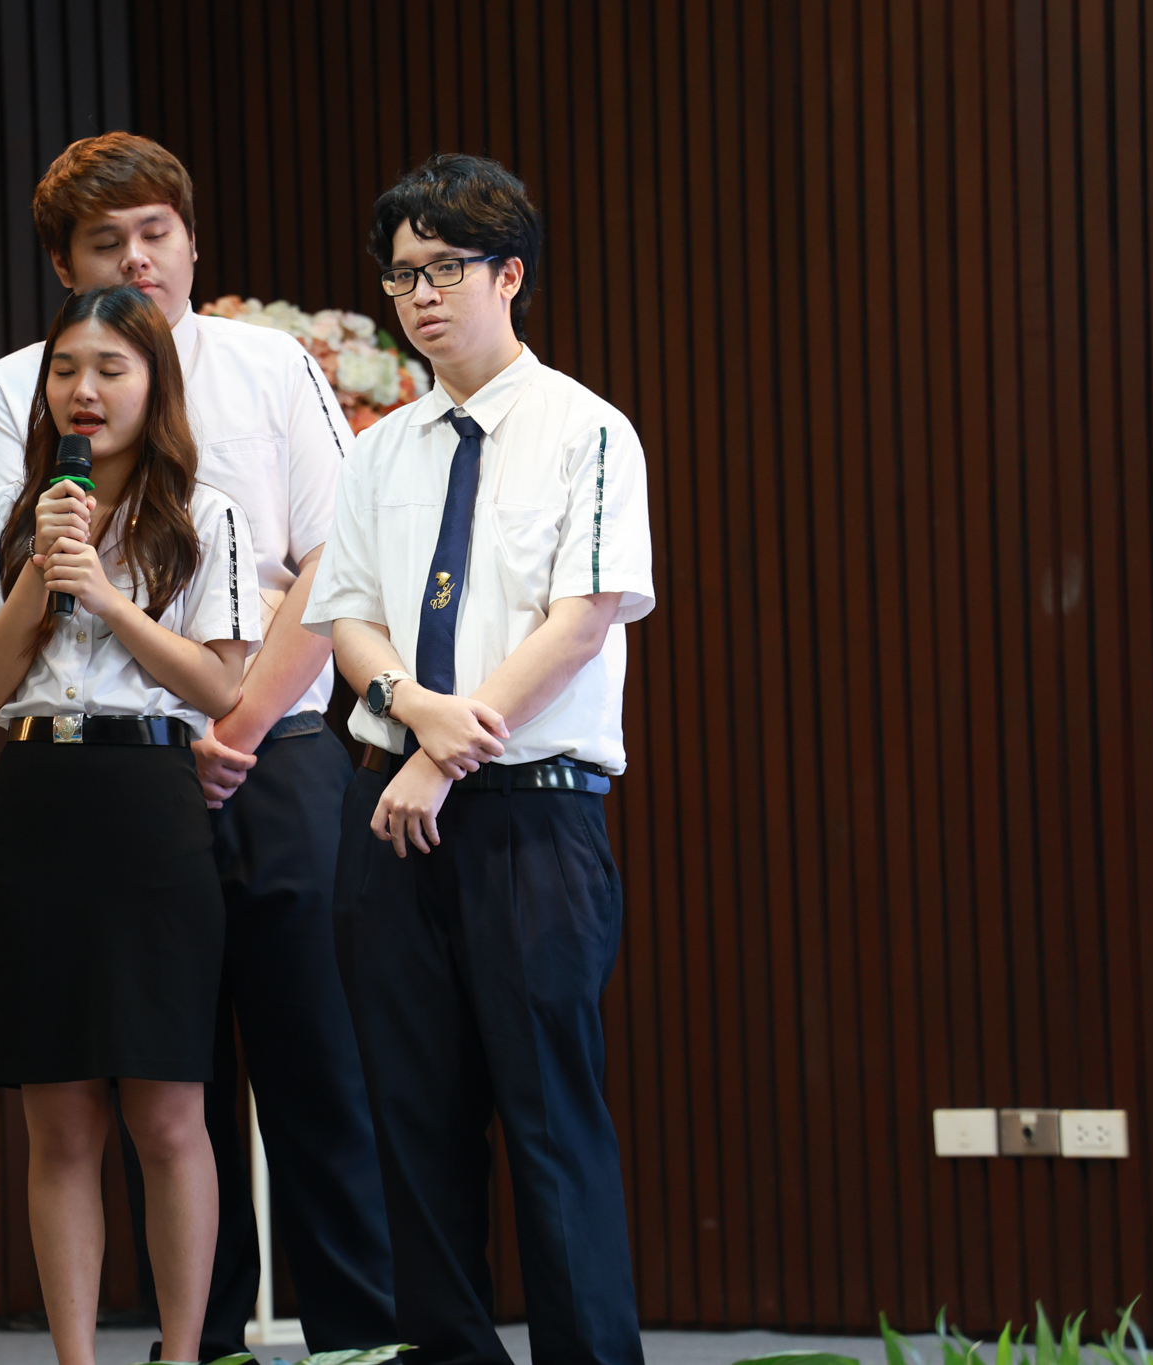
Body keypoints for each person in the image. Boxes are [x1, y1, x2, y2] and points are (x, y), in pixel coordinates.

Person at [0, 133, 395, 1357]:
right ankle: (200, 1345)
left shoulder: (268, 364)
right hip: (110, 774)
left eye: (156, 233)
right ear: (62, 265)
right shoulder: (17, 386)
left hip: (270, 745)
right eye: (105, 243)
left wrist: (232, 729)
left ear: (191, 241)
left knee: (312, 1063)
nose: (136, 259)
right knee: (163, 1078)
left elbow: (330, 560)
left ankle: (357, 1339)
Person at [303, 153, 656, 1365]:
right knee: (410, 1126)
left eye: (444, 269)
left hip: (530, 822)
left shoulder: (584, 430)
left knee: (550, 1126)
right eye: (401, 275)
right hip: (386, 821)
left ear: (509, 275)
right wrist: (406, 708)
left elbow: (582, 617)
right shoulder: (377, 451)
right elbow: (346, 621)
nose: (419, 296)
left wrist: (442, 753)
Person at [0, 285, 261, 1365]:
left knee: (167, 1112)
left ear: (153, 384)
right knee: (60, 1117)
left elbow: (219, 688)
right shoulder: (2, 512)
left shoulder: (204, 513)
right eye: (66, 368)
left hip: (151, 803)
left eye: (111, 368)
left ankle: (182, 1353)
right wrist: (41, 570)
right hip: (38, 804)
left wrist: (110, 596)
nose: (84, 389)